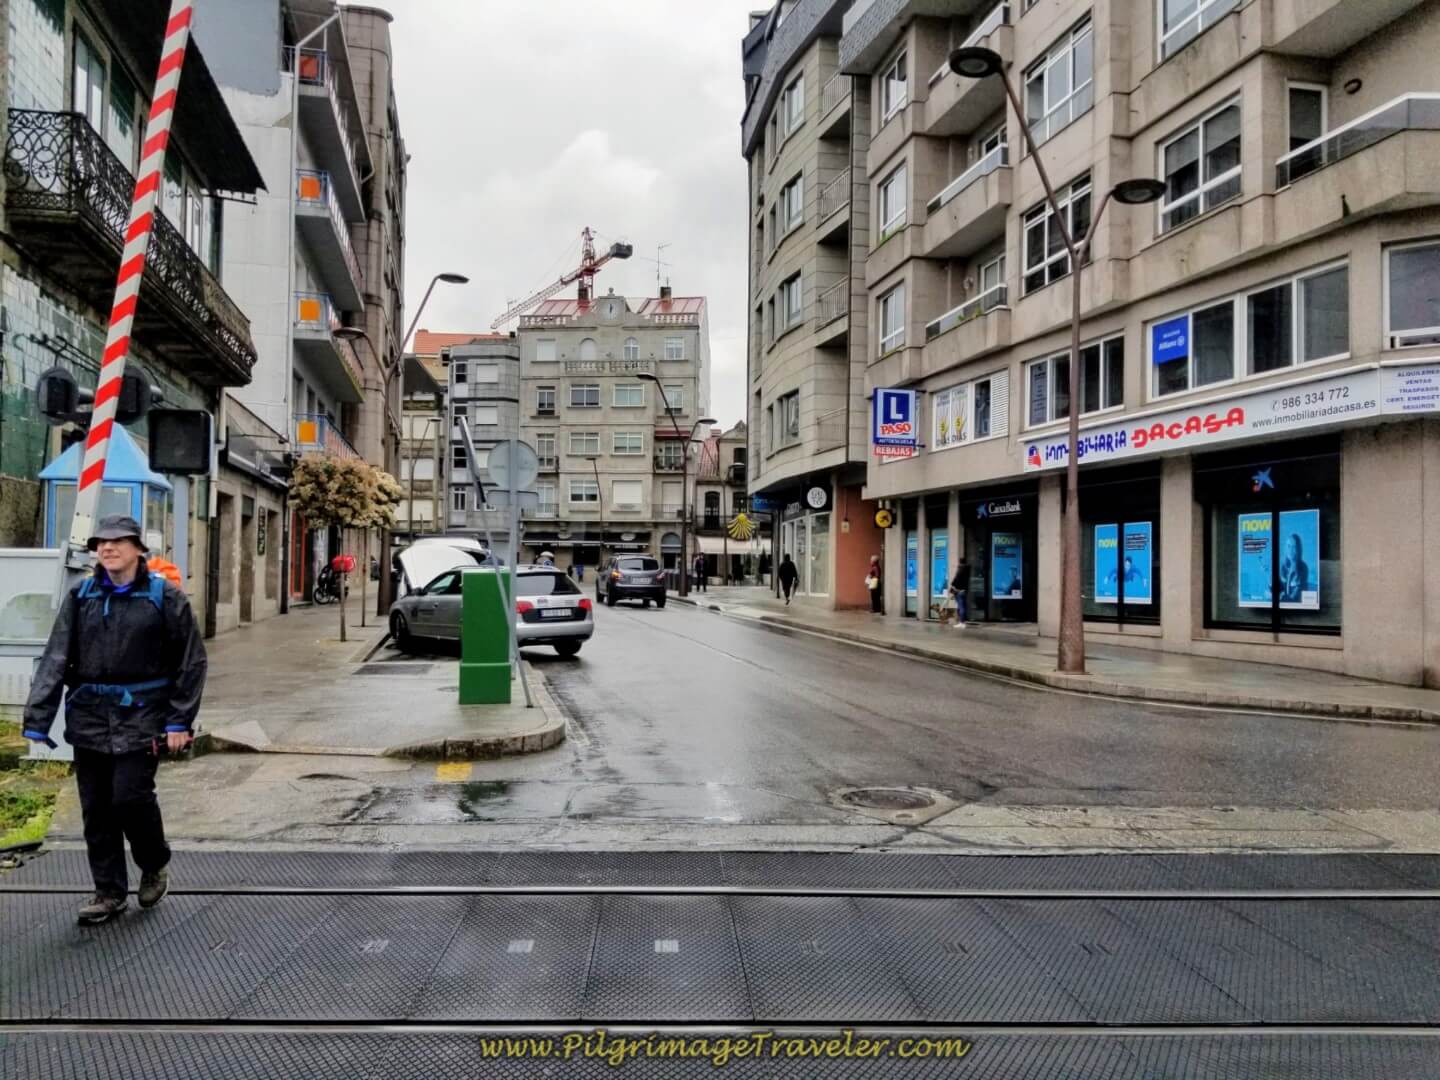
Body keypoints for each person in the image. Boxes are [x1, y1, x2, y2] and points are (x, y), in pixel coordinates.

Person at [22, 515, 206, 926]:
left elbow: (190, 662)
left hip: (142, 717)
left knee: (129, 797)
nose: (107, 549)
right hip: (89, 717)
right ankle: (108, 892)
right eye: (101, 544)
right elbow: (56, 656)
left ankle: (154, 862)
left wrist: (179, 722)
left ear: (139, 549)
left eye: (117, 542)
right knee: (97, 809)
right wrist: (38, 717)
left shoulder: (165, 597)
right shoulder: (82, 595)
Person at [1278, 533, 1310, 603]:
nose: (1290, 550)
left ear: (1298, 549)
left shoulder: (1303, 567)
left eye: (1294, 547)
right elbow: (1279, 589)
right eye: (1288, 546)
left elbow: (1294, 597)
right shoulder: (1283, 567)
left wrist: (1278, 597)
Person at [950, 556, 971, 629]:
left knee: (960, 607)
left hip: (959, 591)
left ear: (960, 562)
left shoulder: (961, 569)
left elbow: (956, 579)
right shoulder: (967, 569)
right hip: (964, 590)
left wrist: (952, 585)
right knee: (962, 607)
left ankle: (961, 622)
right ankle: (962, 622)